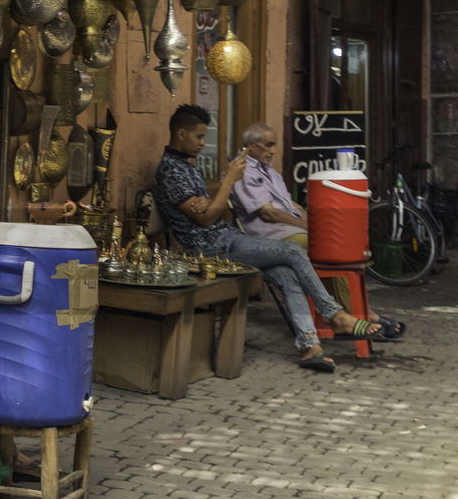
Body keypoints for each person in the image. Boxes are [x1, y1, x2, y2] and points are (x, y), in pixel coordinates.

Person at [151, 104, 382, 372]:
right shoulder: (170, 170)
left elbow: (209, 208)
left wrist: (211, 203)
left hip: (224, 238)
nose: (203, 143)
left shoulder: (186, 166)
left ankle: (310, 347)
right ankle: (336, 316)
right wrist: (229, 181)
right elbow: (206, 218)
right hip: (209, 248)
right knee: (292, 252)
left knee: (286, 272)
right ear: (181, 134)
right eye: (199, 137)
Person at [230, 122, 404, 339]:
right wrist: (307, 227)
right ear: (251, 145)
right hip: (269, 235)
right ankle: (357, 316)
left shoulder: (270, 172)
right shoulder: (243, 170)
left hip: (288, 229)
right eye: (268, 145)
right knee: (325, 248)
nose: (273, 150)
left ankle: (357, 314)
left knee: (333, 247)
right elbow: (268, 213)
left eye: (274, 145)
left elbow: (292, 206)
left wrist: (314, 224)